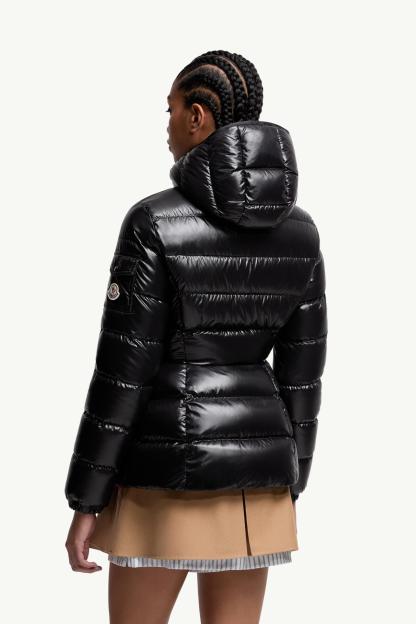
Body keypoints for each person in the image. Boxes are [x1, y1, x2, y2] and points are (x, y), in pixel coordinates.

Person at [64, 49, 328, 624]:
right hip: (258, 488)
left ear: (197, 116)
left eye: (171, 110)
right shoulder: (302, 231)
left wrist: (87, 497)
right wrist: (292, 477)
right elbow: (303, 374)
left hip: (165, 476)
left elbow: (123, 373)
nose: (166, 126)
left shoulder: (153, 222)